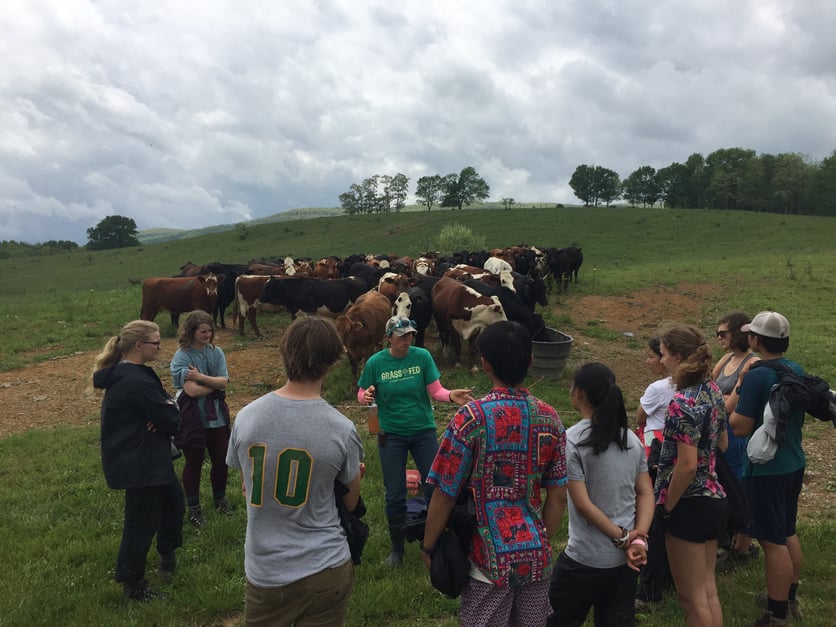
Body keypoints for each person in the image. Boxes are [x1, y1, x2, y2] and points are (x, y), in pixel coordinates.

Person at [421, 321, 568, 626]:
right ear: (530, 361)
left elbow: (445, 492)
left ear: (484, 363)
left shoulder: (472, 418)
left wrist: (429, 545)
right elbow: (557, 496)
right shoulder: (550, 418)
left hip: (488, 561)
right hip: (537, 559)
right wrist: (538, 540)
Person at [226, 316, 364, 626]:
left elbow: (247, 485)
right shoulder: (342, 429)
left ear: (285, 353)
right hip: (324, 568)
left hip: (265, 571)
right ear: (333, 360)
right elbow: (351, 503)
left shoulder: (247, 417)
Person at [357, 315, 473, 566]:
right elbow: (362, 391)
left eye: (409, 335)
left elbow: (436, 390)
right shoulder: (376, 363)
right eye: (401, 336)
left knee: (435, 487)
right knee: (395, 494)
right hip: (391, 434)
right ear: (389, 338)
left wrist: (451, 395)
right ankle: (397, 549)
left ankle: (433, 541)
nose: (407, 340)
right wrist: (365, 396)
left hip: (423, 431)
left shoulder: (422, 357)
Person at [548, 362, 655, 627]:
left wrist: (625, 537)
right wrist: (638, 538)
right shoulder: (630, 438)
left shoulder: (572, 440)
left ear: (579, 393)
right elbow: (645, 493)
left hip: (584, 559)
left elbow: (582, 504)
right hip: (624, 563)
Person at [93, 320, 185, 602]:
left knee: (174, 505)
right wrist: (168, 408)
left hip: (149, 457)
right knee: (140, 522)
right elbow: (171, 418)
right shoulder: (134, 381)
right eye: (156, 342)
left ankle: (166, 558)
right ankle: (133, 585)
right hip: (139, 462)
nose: (160, 347)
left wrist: (165, 407)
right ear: (138, 346)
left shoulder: (135, 374)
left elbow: (166, 408)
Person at [729, 311, 805, 626]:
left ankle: (776, 614)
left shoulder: (758, 374)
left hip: (766, 469)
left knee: (772, 542)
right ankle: (789, 594)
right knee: (787, 531)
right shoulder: (794, 369)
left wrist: (742, 384)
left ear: (756, 340)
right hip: (793, 462)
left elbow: (740, 427)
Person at [655, 324, 728, 627]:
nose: (661, 361)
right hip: (714, 497)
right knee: (708, 592)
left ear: (678, 356)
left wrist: (668, 507)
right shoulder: (712, 391)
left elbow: (686, 466)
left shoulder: (682, 402)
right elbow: (722, 443)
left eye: (663, 354)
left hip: (689, 502)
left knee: (691, 599)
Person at [170, 309, 232, 527]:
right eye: (203, 331)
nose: (207, 334)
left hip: (217, 417)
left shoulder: (216, 352)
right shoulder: (182, 356)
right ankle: (194, 509)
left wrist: (200, 377)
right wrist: (213, 383)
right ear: (191, 331)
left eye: (209, 330)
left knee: (221, 460)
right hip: (193, 417)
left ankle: (220, 499)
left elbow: (223, 382)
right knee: (193, 463)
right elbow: (192, 392)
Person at [712, 311, 759, 565]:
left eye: (723, 333)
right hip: (719, 430)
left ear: (739, 334)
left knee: (739, 484)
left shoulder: (752, 363)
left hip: (735, 432)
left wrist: (718, 399)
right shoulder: (728, 357)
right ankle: (728, 536)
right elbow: (709, 384)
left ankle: (743, 544)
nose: (718, 338)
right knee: (722, 481)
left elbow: (729, 406)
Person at [634, 337, 676, 610]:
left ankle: (649, 586)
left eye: (654, 355)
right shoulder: (706, 388)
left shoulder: (658, 389)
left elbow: (640, 417)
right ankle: (672, 579)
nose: (651, 361)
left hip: (657, 456)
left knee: (654, 516)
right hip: (683, 462)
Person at [637, 337, 675, 458]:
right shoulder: (689, 384)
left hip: (655, 445)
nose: (647, 361)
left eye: (651, 357)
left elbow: (640, 417)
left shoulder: (657, 388)